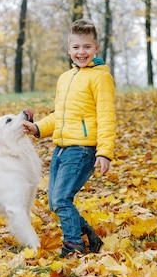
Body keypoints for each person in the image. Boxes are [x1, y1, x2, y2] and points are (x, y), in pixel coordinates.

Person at [22, 18, 116, 257]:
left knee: (62, 199)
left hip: (82, 149)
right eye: (76, 47)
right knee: (55, 203)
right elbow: (59, 116)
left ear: (96, 49)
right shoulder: (65, 78)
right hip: (61, 149)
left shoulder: (100, 77)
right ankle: (88, 235)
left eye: (86, 47)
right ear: (69, 49)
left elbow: (106, 116)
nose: (81, 52)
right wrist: (37, 128)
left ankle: (74, 246)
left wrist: (105, 152)